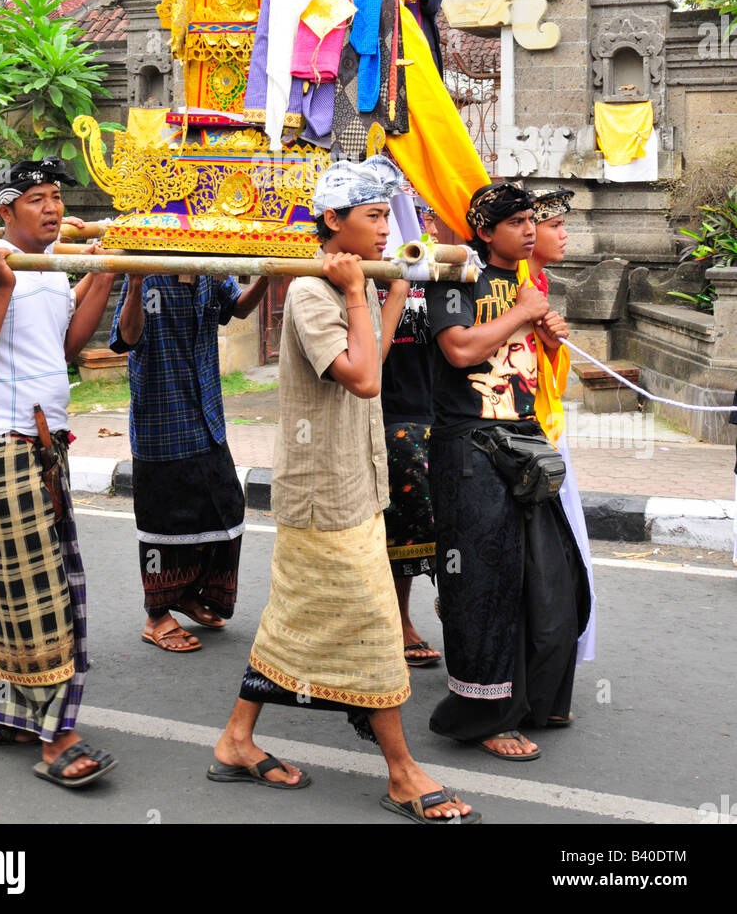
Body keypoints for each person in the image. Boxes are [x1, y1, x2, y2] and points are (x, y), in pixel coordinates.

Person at [210, 155, 480, 823]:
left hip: (356, 484)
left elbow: (377, 356)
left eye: (386, 215)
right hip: (322, 492)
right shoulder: (309, 290)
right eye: (371, 217)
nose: (384, 227)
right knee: (372, 624)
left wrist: (392, 288)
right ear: (333, 222)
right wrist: (360, 293)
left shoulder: (350, 282)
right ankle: (401, 771)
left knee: (294, 621)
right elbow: (360, 378)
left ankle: (237, 739)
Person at [0, 157, 119, 788]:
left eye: (55, 198)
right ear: (5, 210)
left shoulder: (48, 269)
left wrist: (110, 270)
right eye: (36, 198)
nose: (51, 208)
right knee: (41, 592)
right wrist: (2, 288)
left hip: (42, 440)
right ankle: (55, 735)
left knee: (2, 582)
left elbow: (64, 349)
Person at [426, 181, 589, 762]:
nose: (528, 229)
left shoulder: (525, 287)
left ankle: (535, 699)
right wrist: (522, 314)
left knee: (548, 575)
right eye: (516, 221)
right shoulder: (452, 280)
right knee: (482, 584)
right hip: (469, 448)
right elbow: (462, 352)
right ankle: (480, 715)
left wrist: (546, 339)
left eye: (531, 221)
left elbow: (523, 367)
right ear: (487, 232)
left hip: (523, 439)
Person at [110, 266, 268, 653]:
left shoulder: (212, 275)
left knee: (227, 510)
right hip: (161, 422)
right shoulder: (149, 279)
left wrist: (269, 273)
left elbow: (240, 308)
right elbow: (127, 337)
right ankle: (156, 615)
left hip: (206, 416)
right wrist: (132, 284)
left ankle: (188, 594)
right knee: (165, 522)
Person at [528, 187, 596, 666]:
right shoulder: (512, 285)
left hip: (547, 426)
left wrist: (553, 347)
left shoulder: (540, 281)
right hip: (522, 434)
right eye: (556, 226)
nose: (563, 235)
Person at [376, 207, 440, 667]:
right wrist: (396, 288)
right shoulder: (363, 274)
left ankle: (453, 597)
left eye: (432, 219)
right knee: (403, 521)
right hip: (387, 413)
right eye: (420, 218)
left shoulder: (440, 271)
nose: (431, 229)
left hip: (435, 410)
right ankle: (398, 619)